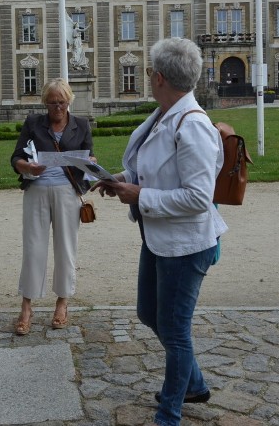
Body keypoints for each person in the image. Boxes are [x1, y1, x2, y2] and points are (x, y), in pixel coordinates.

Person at [93, 38, 227, 426]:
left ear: (159, 77)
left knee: (175, 329)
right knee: (148, 313)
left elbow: (199, 197)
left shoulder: (194, 125)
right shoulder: (164, 115)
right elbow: (153, 170)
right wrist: (118, 179)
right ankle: (195, 383)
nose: (149, 77)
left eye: (150, 71)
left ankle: (169, 413)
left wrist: (140, 195)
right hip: (158, 238)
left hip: (186, 245)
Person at [10, 79, 93, 336]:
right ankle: (27, 306)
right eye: (52, 102)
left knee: (65, 248)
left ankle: (62, 303)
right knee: (34, 248)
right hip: (37, 189)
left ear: (69, 101)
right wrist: (27, 167)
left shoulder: (81, 125)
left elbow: (89, 159)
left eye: (62, 102)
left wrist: (90, 162)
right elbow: (16, 158)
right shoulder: (34, 123)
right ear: (45, 103)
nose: (57, 107)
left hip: (68, 191)